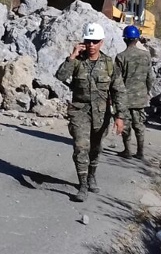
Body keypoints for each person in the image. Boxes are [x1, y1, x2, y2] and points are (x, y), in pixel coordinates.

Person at [55, 22, 127, 202]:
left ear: (101, 42)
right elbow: (60, 76)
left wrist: (120, 116)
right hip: (80, 112)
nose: (91, 45)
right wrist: (72, 56)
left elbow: (118, 91)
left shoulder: (109, 64)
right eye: (88, 41)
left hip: (102, 115)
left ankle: (91, 175)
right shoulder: (77, 62)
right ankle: (83, 185)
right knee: (81, 147)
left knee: (95, 149)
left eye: (95, 41)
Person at [115, 25, 153, 160]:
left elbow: (117, 80)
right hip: (140, 97)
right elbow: (150, 77)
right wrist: (147, 91)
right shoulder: (146, 55)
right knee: (139, 125)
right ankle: (140, 152)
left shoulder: (120, 57)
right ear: (137, 39)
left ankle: (127, 150)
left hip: (125, 98)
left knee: (126, 125)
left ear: (125, 39)